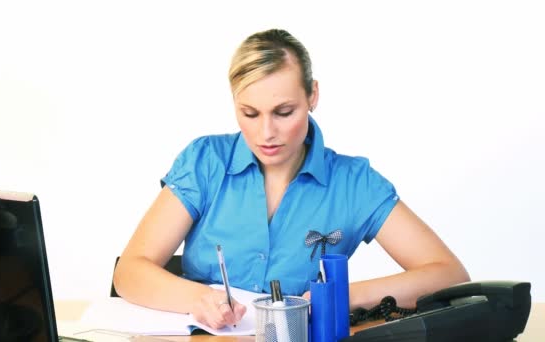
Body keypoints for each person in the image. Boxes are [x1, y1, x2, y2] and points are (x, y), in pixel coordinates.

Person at [113, 28, 470, 330]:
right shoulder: (205, 161)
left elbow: (449, 275)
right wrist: (198, 299)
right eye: (249, 113)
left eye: (284, 112)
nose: (266, 132)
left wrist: (341, 295)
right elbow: (130, 271)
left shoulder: (354, 182)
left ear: (312, 95)